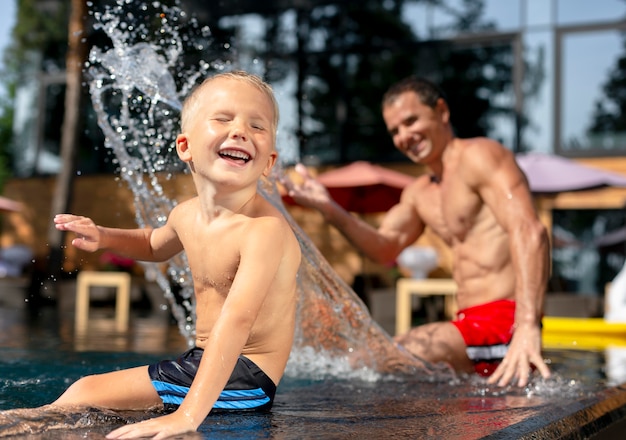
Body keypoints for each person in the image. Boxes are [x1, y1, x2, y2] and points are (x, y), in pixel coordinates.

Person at [51, 70, 302, 439]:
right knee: (86, 407)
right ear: (185, 146)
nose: (240, 131)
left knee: (83, 394)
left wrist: (187, 416)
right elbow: (153, 244)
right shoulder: (186, 214)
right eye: (223, 118)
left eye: (257, 125)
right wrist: (104, 236)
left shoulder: (264, 230)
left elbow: (237, 322)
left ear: (268, 162)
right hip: (204, 364)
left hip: (246, 376)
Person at [283, 75, 551, 387]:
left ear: (441, 111)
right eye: (395, 130)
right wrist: (330, 209)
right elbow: (384, 248)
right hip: (468, 324)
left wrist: (528, 326)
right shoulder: (419, 192)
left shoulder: (480, 156)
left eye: (411, 121)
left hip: (505, 320)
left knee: (380, 360)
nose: (404, 136)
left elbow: (530, 231)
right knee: (377, 356)